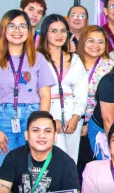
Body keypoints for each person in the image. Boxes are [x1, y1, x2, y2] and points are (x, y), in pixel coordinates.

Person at [0, 9, 55, 165]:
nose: (17, 31)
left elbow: (45, 95)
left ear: (29, 31)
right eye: (11, 26)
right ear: (3, 29)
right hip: (1, 118)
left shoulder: (38, 58)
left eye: (22, 26)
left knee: (28, 168)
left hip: (32, 117)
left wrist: (41, 125)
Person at [37, 14, 88, 161]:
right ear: (45, 33)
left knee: (71, 160)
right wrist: (50, 118)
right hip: (48, 113)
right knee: (55, 159)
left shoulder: (75, 59)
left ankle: (70, 185)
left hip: (73, 114)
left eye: (63, 31)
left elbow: (81, 91)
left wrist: (76, 116)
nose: (59, 35)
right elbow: (36, 93)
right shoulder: (37, 59)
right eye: (53, 31)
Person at [77, 26, 114, 176]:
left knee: (93, 167)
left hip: (96, 124)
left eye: (100, 42)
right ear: (82, 42)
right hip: (71, 123)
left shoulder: (109, 66)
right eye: (91, 41)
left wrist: (89, 123)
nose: (96, 45)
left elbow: (109, 100)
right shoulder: (72, 62)